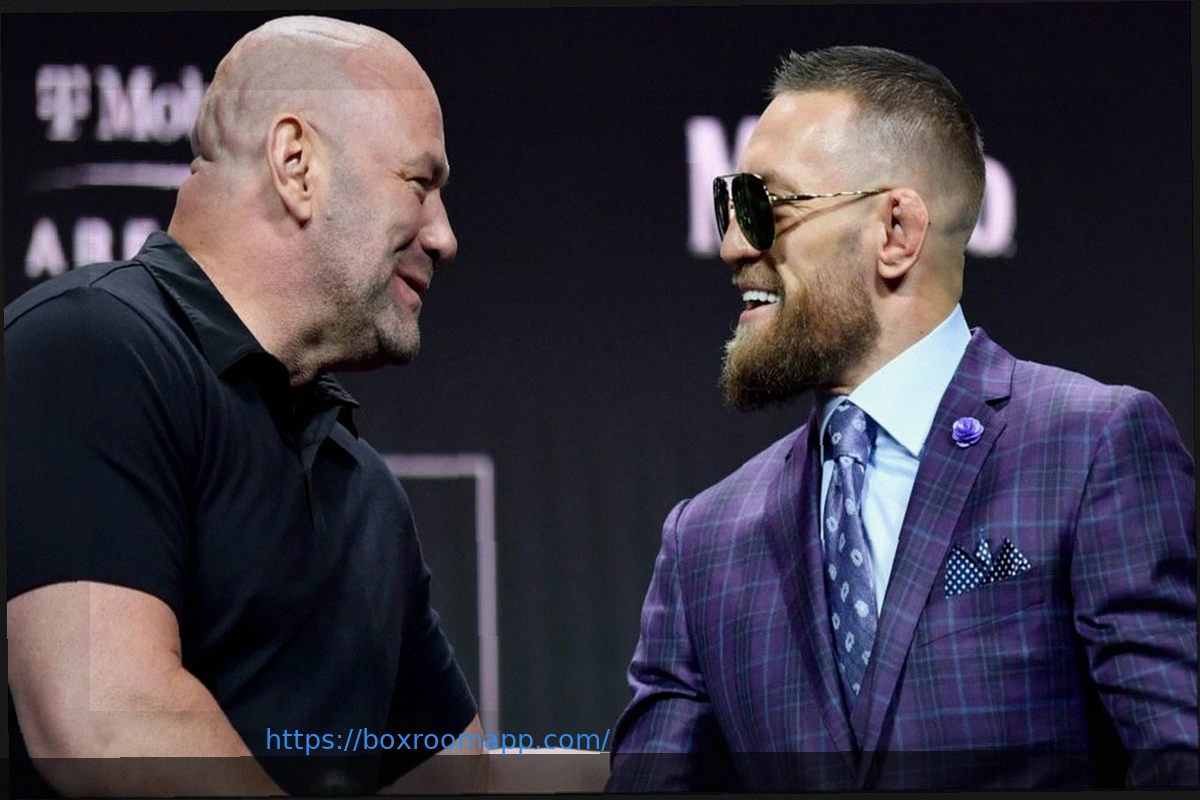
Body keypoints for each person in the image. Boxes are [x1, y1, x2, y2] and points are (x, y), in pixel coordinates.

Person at [606, 45, 1197, 790]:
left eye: (764, 206)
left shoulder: (1090, 449)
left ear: (895, 232)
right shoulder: (704, 542)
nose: (732, 244)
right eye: (728, 205)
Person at [6, 16, 482, 796]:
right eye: (420, 184)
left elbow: (456, 777)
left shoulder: (363, 490)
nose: (444, 235)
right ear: (296, 163)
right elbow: (105, 725)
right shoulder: (92, 351)